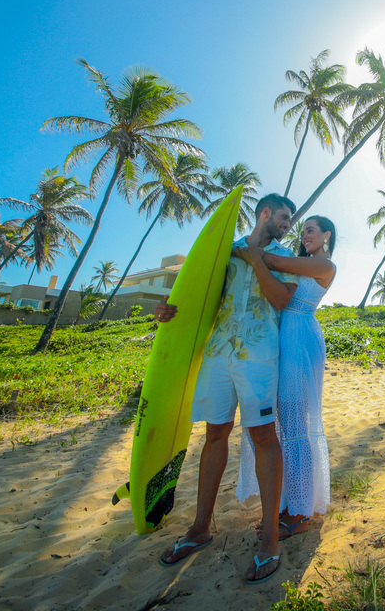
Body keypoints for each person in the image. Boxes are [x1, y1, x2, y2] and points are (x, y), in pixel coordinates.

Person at [153, 193, 297, 584]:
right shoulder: (223, 251)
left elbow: (282, 300)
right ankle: (200, 528)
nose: (288, 224)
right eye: (284, 216)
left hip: (258, 355)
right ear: (264, 212)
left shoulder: (284, 256)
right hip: (218, 353)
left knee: (263, 436)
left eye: (291, 220)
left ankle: (269, 537)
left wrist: (256, 260)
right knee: (214, 433)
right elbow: (202, 298)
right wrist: (171, 310)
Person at [234, 215, 336, 540]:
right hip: (284, 335)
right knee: (283, 422)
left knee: (295, 425)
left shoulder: (325, 266)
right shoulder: (302, 263)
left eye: (310, 230)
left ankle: (300, 511)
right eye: (303, 231)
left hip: (299, 336)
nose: (304, 235)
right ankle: (286, 503)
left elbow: (274, 259)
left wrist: (241, 249)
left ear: (326, 235)